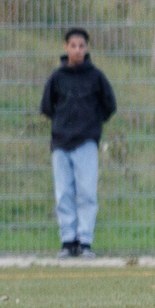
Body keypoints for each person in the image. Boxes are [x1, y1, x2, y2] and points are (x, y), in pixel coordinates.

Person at [40, 27, 116, 258]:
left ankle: (85, 241)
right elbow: (47, 107)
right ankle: (68, 241)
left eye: (81, 46)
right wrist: (62, 124)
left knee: (86, 193)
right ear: (66, 47)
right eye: (73, 46)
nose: (77, 50)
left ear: (87, 48)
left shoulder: (96, 77)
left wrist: (91, 126)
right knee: (63, 193)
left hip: (86, 143)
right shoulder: (57, 77)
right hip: (61, 144)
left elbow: (109, 105)